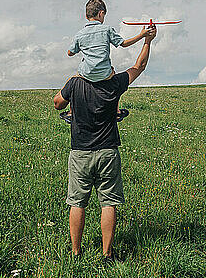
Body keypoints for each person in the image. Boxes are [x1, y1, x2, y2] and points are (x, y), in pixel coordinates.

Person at [53, 22, 157, 263]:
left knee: (77, 203)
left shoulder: (75, 82)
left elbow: (57, 103)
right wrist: (148, 41)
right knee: (108, 203)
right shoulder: (114, 83)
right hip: (108, 150)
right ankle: (107, 254)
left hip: (80, 152)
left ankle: (76, 254)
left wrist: (70, 90)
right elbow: (138, 66)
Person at [61, 0, 152, 123]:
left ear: (86, 15)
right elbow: (124, 44)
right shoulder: (107, 30)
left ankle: (71, 112)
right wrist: (142, 35)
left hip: (86, 74)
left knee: (74, 80)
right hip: (105, 74)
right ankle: (116, 111)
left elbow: (70, 53)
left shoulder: (80, 34)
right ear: (101, 13)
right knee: (114, 75)